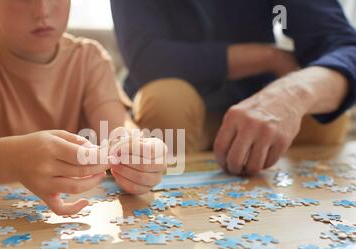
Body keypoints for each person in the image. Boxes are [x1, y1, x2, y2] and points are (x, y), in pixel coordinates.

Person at [0, 0, 166, 215]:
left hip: (68, 235)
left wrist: (141, 156)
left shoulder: (89, 59)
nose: (42, 9)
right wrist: (14, 158)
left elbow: (120, 132)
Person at [111, 0, 356, 175]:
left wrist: (295, 93)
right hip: (172, 111)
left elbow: (344, 47)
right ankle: (161, 206)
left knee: (325, 107)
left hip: (256, 100)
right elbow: (148, 59)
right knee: (167, 100)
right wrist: (269, 57)